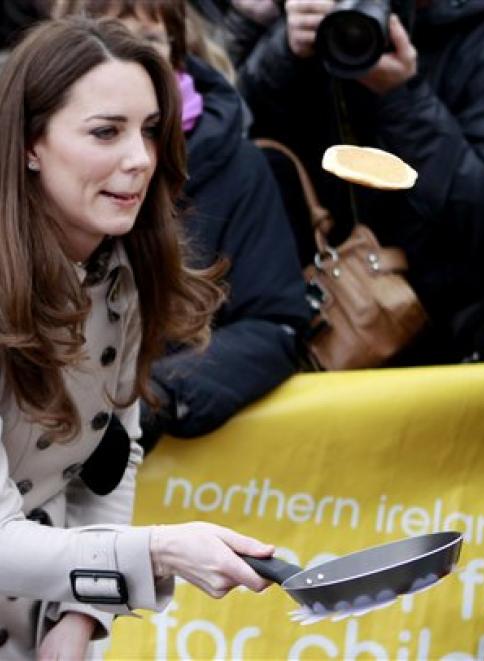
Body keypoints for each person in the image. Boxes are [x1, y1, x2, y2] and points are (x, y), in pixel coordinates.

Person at [0, 16, 274, 660]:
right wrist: (158, 550)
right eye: (106, 132)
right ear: (29, 143)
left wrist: (81, 618)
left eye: (151, 130)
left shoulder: (127, 268)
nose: (140, 158)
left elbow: (106, 461)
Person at [54, 0, 309, 446]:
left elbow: (275, 324)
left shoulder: (237, 166)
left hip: (167, 465)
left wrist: (152, 398)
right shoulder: (28, 167)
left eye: (149, 42)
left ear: (177, 51)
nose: (132, 64)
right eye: (110, 41)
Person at [229, 0, 484, 365]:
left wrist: (402, 95)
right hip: (324, 308)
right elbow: (236, 139)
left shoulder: (483, 35)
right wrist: (284, 49)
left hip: (452, 326)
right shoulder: (326, 18)